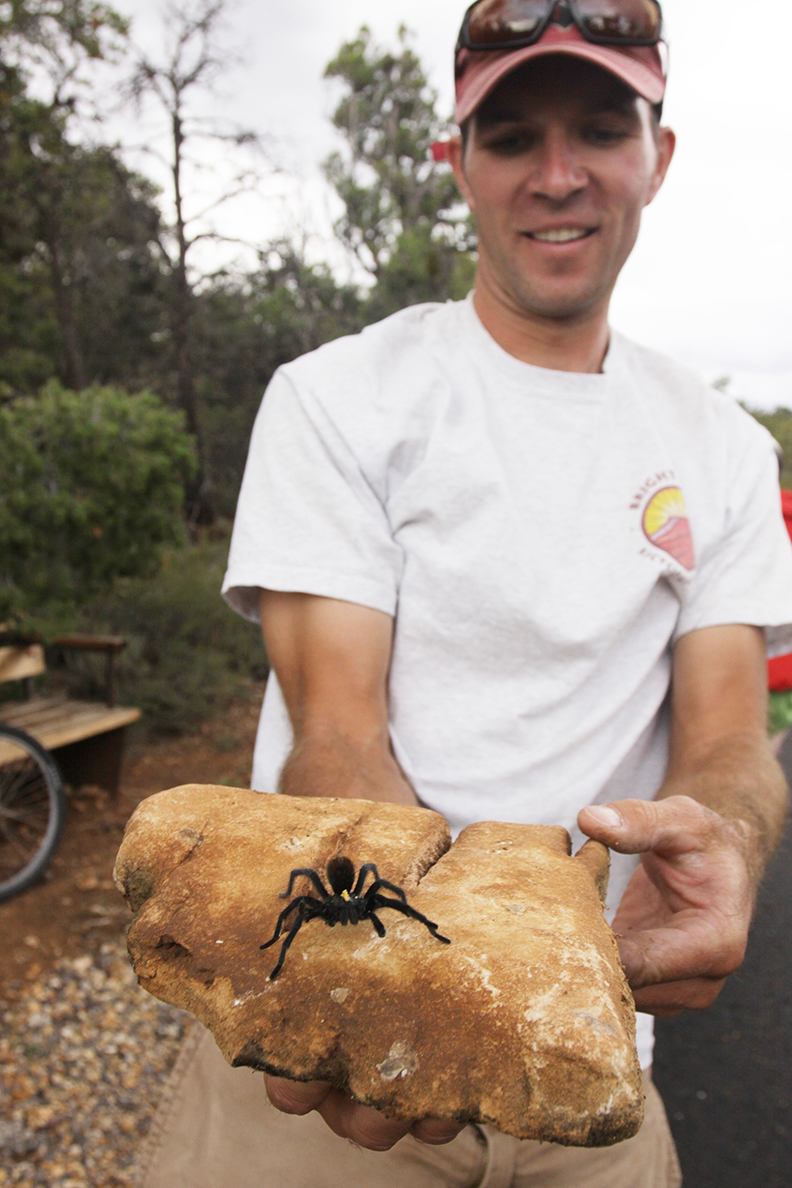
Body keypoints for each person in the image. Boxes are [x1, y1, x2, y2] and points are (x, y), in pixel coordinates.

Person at [139, 3, 792, 1186]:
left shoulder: (729, 453)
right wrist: (424, 973)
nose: (558, 174)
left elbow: (728, 736)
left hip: (586, 1031)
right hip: (338, 1033)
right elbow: (337, 729)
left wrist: (729, 837)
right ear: (457, 161)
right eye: (511, 136)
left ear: (660, 156)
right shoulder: (339, 400)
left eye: (601, 129)